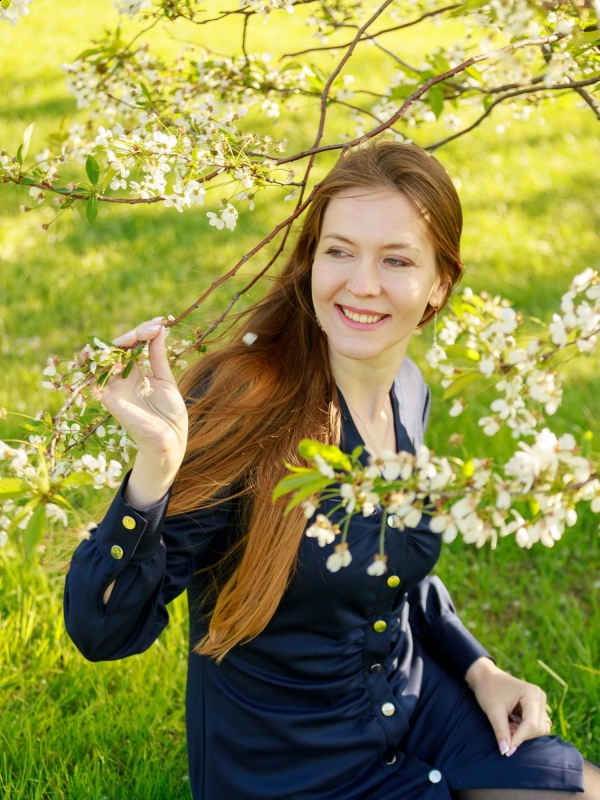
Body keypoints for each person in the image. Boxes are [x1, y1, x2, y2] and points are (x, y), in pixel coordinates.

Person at [63, 140, 598, 800]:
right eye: (340, 250)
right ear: (311, 260)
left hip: (419, 709)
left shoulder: (409, 388)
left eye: (395, 259)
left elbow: (392, 577)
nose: (362, 282)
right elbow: (103, 629)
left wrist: (479, 667)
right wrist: (154, 471)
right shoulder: (243, 405)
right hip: (290, 770)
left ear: (438, 284)